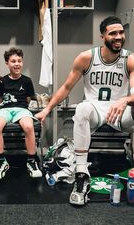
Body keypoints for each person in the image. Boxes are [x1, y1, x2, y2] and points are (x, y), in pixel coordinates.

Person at [35, 16, 134, 206]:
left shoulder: (129, 59)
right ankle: (81, 176)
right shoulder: (86, 58)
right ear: (102, 36)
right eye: (113, 33)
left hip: (120, 113)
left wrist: (126, 99)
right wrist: (46, 110)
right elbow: (66, 87)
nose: (119, 37)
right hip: (95, 110)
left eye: (121, 32)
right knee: (82, 108)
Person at [0, 47, 42, 180]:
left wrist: (20, 108)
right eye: (13, 61)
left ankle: (31, 160)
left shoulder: (27, 81)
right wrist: (8, 109)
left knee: (29, 126)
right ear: (7, 63)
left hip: (22, 109)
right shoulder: (2, 80)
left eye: (19, 61)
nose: (17, 64)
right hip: (5, 109)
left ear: (22, 62)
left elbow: (28, 99)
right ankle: (1, 160)